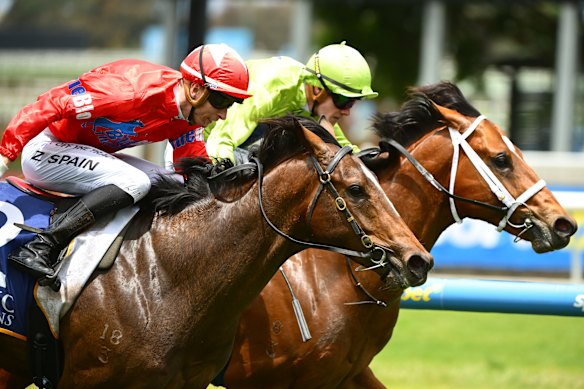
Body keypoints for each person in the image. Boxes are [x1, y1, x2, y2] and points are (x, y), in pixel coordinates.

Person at [0, 43, 251, 281]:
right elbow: (48, 104)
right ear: (196, 90)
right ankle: (41, 245)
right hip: (46, 152)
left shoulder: (185, 117)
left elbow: (191, 167)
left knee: (172, 185)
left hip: (91, 155)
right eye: (221, 101)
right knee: (135, 182)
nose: (223, 114)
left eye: (231, 104)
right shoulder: (128, 92)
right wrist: (5, 154)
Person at [165, 41, 378, 166]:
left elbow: (338, 145)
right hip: (196, 149)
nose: (347, 111)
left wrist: (368, 160)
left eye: (353, 103)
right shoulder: (276, 84)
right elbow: (222, 139)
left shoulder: (313, 105)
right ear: (317, 88)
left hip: (231, 151)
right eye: (344, 101)